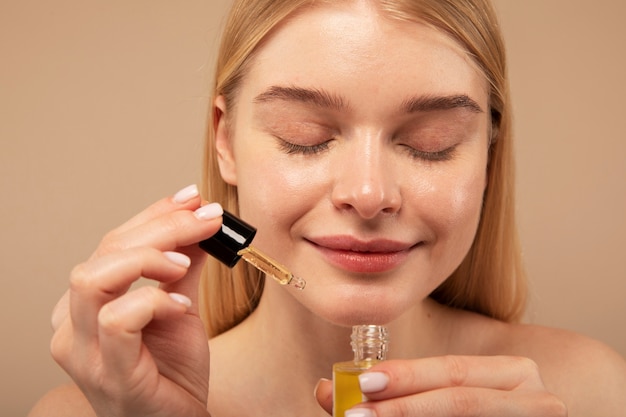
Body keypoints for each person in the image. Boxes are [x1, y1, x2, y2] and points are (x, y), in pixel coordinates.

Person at [29, 0, 626, 416]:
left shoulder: (587, 393)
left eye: (432, 143)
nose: (368, 195)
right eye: (305, 135)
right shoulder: (99, 411)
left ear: (488, 155)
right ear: (226, 140)